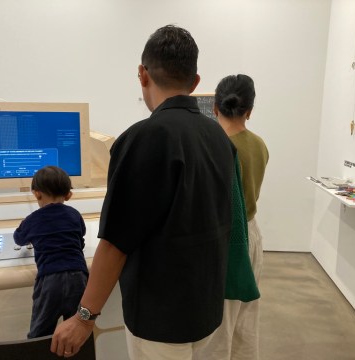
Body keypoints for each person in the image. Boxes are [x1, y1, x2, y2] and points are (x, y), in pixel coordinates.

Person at [51, 25, 238, 359]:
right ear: (195, 82)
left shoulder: (144, 138)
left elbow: (114, 243)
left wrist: (84, 317)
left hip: (161, 319)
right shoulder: (219, 138)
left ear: (142, 74)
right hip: (207, 311)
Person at [198, 74, 269, 359]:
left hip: (227, 241)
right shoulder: (259, 144)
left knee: (219, 326)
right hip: (252, 234)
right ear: (250, 111)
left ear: (214, 108)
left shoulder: (216, 148)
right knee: (245, 320)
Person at [13, 165, 88, 339]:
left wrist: (24, 225)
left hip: (49, 279)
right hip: (79, 277)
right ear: (69, 195)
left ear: (37, 193)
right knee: (76, 329)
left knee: (40, 332)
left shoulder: (32, 220)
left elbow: (19, 238)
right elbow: (80, 239)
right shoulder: (74, 215)